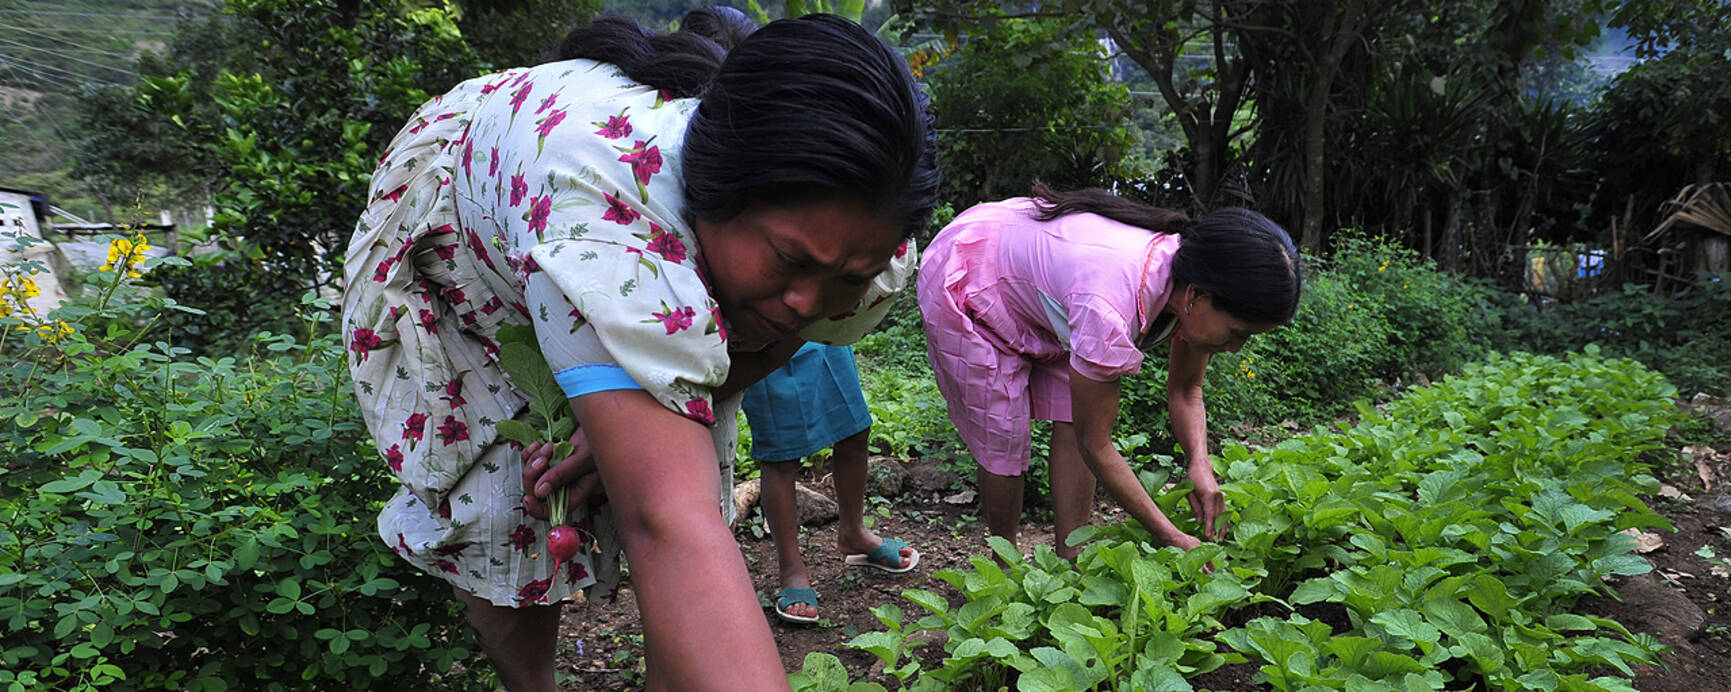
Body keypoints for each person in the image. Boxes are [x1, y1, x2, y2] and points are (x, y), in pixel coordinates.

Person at [340, 9, 937, 690]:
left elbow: (789, 332)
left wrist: (627, 428)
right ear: (714, 191)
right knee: (514, 496)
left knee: (684, 497)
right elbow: (666, 524)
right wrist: (626, 433)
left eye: (845, 279)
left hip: (633, 250)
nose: (809, 300)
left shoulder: (860, 241)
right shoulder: (610, 223)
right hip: (479, 249)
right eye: (789, 261)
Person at [918, 184, 1302, 559]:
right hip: (973, 269)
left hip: (1044, 280)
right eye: (1238, 333)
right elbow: (1096, 444)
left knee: (1070, 414)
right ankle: (1003, 566)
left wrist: (1199, 463)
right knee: (1004, 437)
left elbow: (1187, 390)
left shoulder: (1189, 282)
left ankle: (1072, 559)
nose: (1235, 348)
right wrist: (1171, 536)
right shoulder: (1109, 305)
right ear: (1197, 296)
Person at [741, 342, 919, 624]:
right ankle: (791, 568)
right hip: (769, 330)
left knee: (855, 428)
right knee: (780, 450)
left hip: (823, 329)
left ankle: (853, 533)